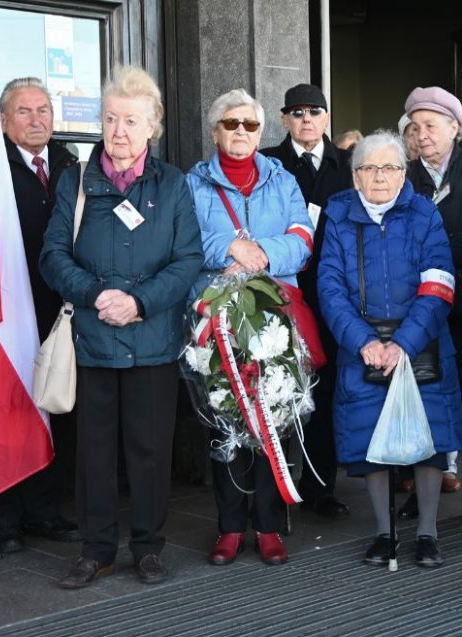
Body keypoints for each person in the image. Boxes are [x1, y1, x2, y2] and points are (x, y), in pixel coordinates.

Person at [40, 66, 204, 588]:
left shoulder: (172, 183)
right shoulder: (76, 181)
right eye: (110, 118)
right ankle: (97, 550)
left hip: (152, 340)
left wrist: (138, 302)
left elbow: (187, 261)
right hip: (92, 340)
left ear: (151, 126)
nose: (119, 130)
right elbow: (52, 255)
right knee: (94, 453)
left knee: (150, 451)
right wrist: (94, 295)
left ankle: (148, 548)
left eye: (131, 120)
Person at [317, 130, 462, 567]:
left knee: (429, 438)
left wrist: (403, 342)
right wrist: (362, 341)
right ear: (356, 177)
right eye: (369, 168)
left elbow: (439, 283)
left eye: (390, 167)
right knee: (369, 438)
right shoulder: (339, 215)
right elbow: (329, 286)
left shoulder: (424, 214)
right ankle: (383, 532)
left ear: (403, 174)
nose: (380, 176)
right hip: (361, 346)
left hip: (422, 342)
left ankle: (427, 533)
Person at [0, 77, 81, 554]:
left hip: (56, 318)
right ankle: (3, 520)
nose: (36, 119)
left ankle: (44, 512)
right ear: (4, 120)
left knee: (50, 409)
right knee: (2, 417)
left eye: (44, 110)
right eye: (24, 111)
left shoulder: (69, 166)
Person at [188, 88, 314, 567]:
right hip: (217, 317)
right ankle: (229, 527)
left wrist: (263, 254)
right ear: (215, 129)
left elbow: (302, 236)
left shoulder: (281, 179)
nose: (241, 132)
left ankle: (267, 525)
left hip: (273, 314)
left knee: (273, 420)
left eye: (250, 125)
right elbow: (183, 238)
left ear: (262, 132)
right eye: (231, 124)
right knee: (225, 419)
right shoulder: (194, 183)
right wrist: (229, 247)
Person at [404, 86, 462, 523]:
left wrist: (435, 248)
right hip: (421, 304)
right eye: (415, 127)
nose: (422, 134)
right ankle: (422, 485)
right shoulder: (405, 176)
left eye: (431, 126)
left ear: (454, 128)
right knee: (424, 395)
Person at [260, 83, 353, 520]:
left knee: (327, 389)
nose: (306, 119)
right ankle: (274, 487)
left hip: (333, 295)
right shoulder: (268, 164)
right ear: (284, 120)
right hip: (281, 293)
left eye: (314, 111)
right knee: (275, 388)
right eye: (296, 113)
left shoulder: (348, 165)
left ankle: (320, 487)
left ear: (327, 117)